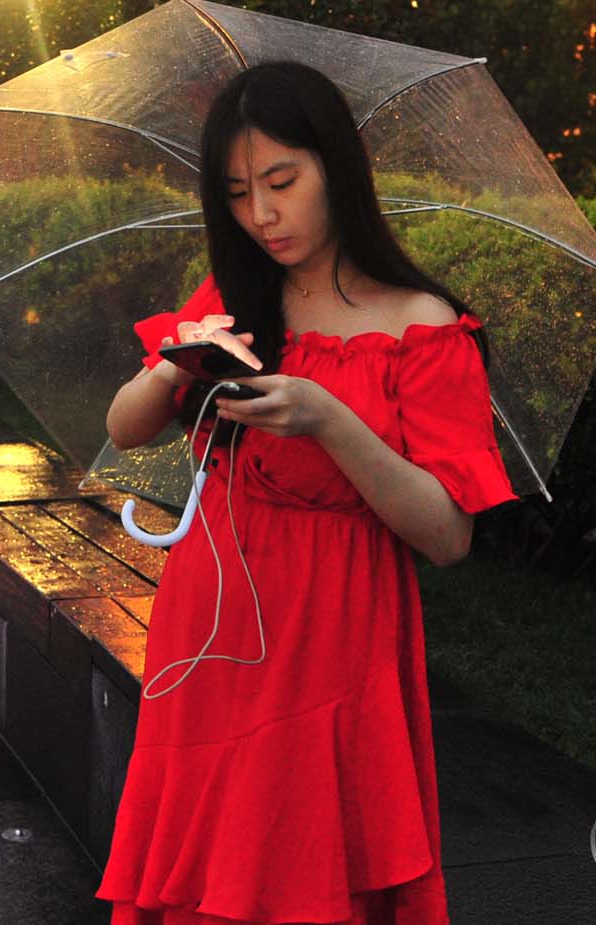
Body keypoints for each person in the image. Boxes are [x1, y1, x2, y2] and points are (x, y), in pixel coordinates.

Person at [96, 62, 514, 925]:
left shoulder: (422, 326)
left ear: (339, 166)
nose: (262, 215)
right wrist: (180, 357)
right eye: (240, 191)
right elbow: (127, 425)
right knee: (207, 866)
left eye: (283, 181)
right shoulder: (239, 299)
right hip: (208, 626)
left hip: (332, 630)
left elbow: (448, 535)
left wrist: (331, 421)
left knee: (303, 862)